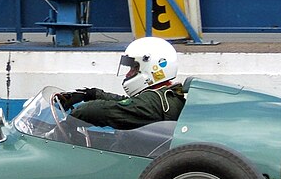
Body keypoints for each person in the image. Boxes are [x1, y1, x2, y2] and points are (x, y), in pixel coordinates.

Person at [57, 37, 186, 131]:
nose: (128, 74)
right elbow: (127, 103)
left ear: (152, 68)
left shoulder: (153, 102)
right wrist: (92, 94)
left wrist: (71, 120)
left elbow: (102, 110)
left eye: (134, 68)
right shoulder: (166, 95)